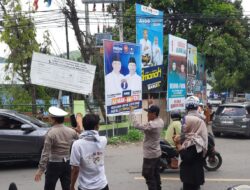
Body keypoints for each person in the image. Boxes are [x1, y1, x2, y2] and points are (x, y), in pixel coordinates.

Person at [34, 106, 78, 190]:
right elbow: (80, 140)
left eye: (50, 117)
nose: (49, 118)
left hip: (53, 164)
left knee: (49, 188)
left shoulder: (51, 133)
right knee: (66, 187)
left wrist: (40, 170)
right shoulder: (71, 131)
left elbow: (45, 153)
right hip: (67, 164)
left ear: (54, 119)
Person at [173, 96, 208, 190]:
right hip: (194, 175)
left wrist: (178, 145)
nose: (183, 126)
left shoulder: (195, 142)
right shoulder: (198, 134)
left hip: (191, 176)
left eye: (185, 124)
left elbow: (186, 157)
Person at [130, 104, 164, 190]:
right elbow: (149, 121)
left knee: (148, 175)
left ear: (154, 114)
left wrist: (132, 112)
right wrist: (151, 103)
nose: (147, 115)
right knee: (156, 174)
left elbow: (136, 125)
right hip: (157, 153)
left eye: (149, 113)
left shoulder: (152, 125)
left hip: (150, 155)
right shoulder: (160, 121)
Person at [70, 114, 109, 190]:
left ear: (84, 125)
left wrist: (72, 186)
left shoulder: (77, 144)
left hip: (85, 187)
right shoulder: (103, 140)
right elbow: (92, 136)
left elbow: (75, 170)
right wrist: (81, 132)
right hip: (102, 185)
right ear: (96, 126)